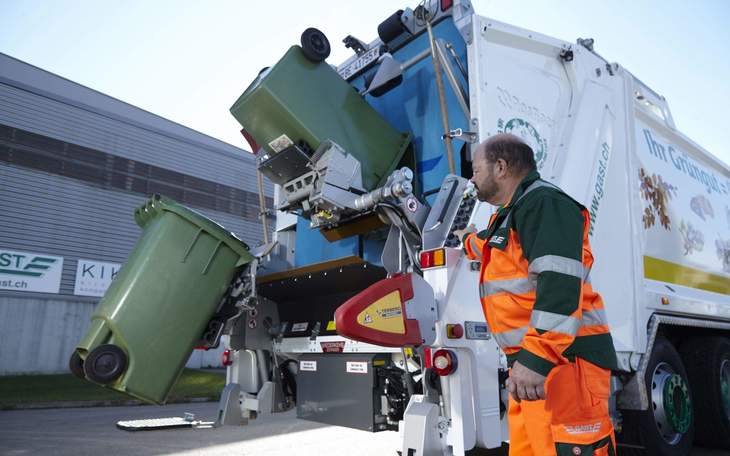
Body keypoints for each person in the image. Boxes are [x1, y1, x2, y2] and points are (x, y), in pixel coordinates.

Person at [455, 133, 619, 456]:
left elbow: (559, 284)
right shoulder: (513, 212)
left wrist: (537, 358)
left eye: (476, 169)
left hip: (563, 365)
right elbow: (490, 246)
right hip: (533, 370)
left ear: (500, 167)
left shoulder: (543, 203)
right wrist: (465, 241)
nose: (471, 178)